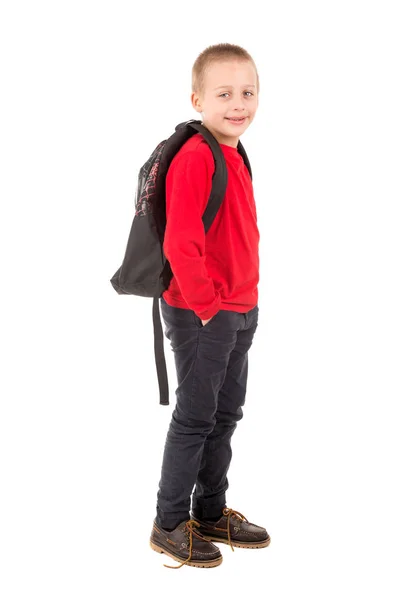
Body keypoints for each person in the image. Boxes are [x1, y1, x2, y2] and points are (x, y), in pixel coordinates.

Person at [149, 43, 270, 569]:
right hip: (205, 313)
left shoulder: (235, 152)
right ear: (197, 98)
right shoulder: (197, 155)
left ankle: (212, 511)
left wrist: (241, 303)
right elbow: (182, 243)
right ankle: (170, 523)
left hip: (240, 308)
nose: (238, 103)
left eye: (247, 92)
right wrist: (206, 307)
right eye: (224, 94)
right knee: (196, 418)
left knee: (225, 415)